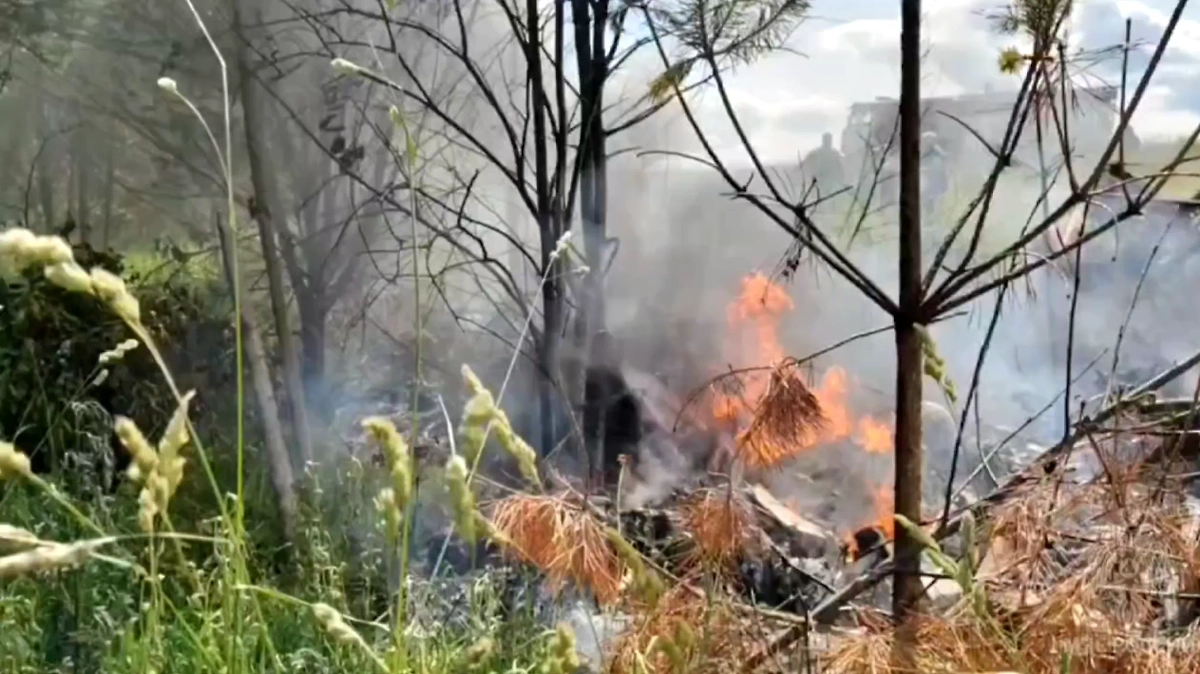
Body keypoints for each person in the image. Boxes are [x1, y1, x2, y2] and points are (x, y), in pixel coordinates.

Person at [802, 132, 847, 212]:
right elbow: (807, 162)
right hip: (820, 178)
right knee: (820, 195)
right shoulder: (818, 153)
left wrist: (842, 177)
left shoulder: (834, 153)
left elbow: (839, 167)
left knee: (830, 196)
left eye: (829, 140)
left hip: (830, 179)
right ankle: (820, 210)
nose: (828, 141)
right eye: (827, 139)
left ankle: (829, 210)